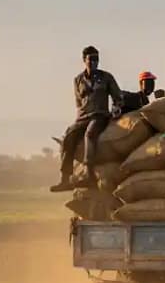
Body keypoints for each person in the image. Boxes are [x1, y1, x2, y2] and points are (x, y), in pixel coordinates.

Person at [52, 45, 122, 192]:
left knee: (90, 135)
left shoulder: (106, 77)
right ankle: (65, 179)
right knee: (68, 137)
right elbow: (78, 102)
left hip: (100, 115)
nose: (94, 62)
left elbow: (118, 97)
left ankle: (88, 174)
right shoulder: (77, 80)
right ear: (84, 60)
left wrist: (116, 108)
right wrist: (77, 120)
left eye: (96, 59)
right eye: (91, 59)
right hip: (83, 117)